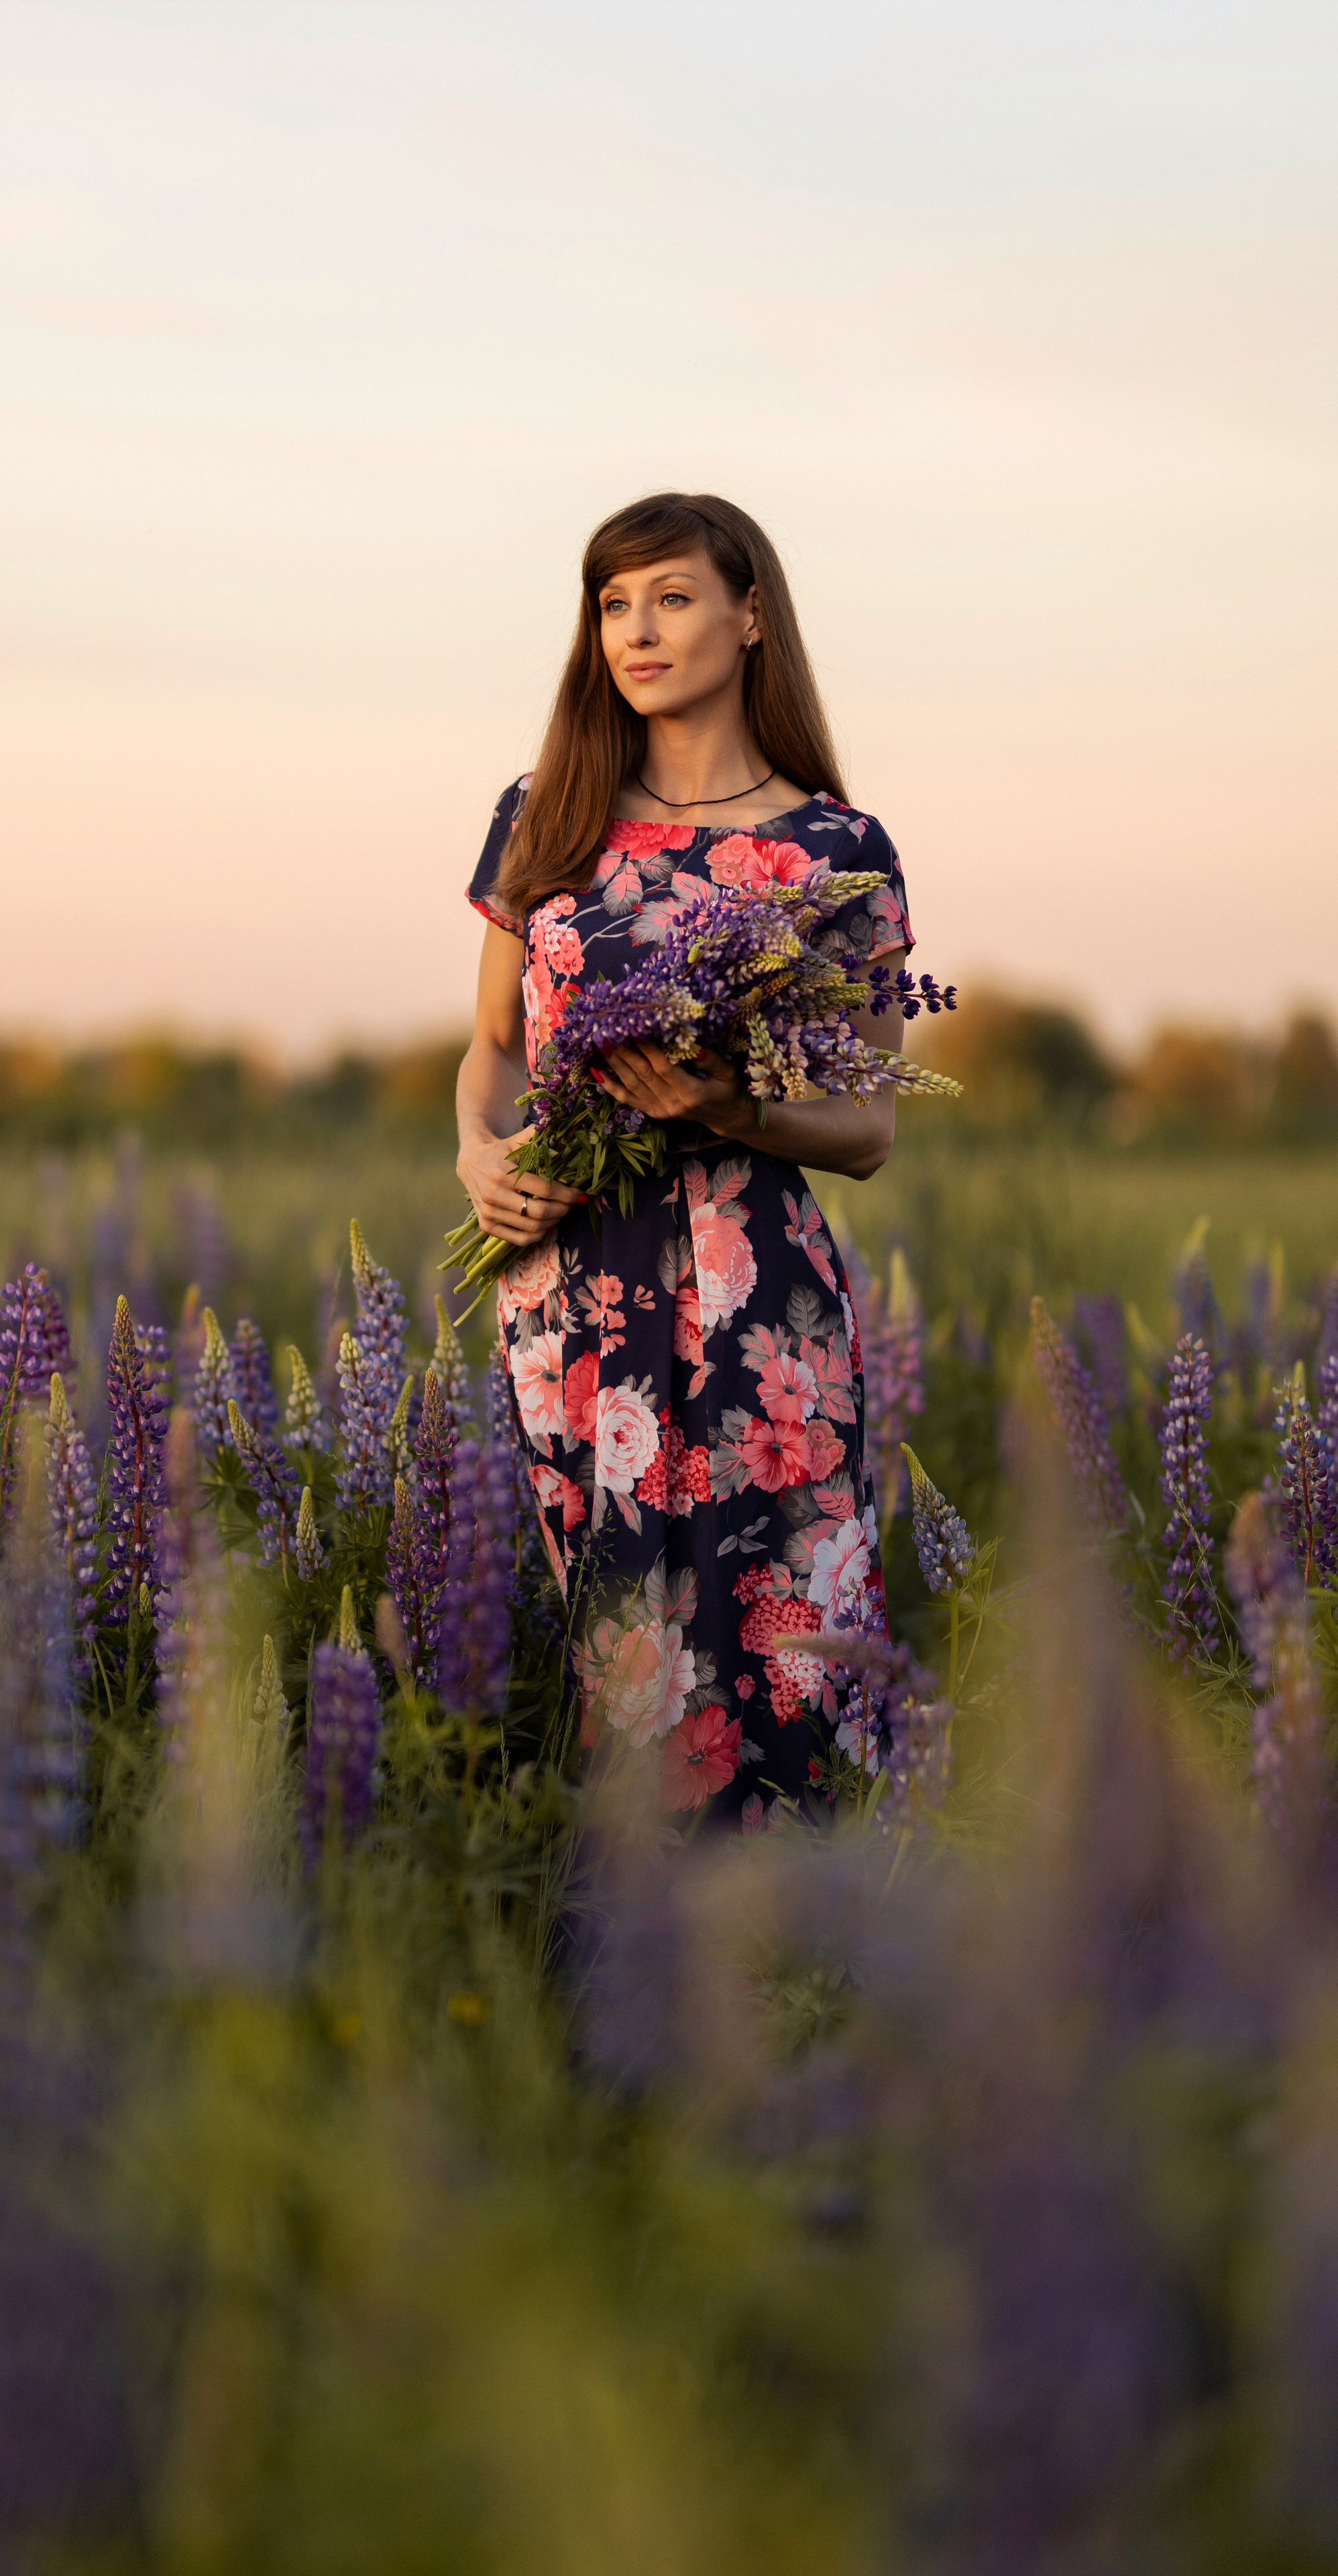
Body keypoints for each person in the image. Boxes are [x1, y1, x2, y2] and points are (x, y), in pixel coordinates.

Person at [455, 491, 913, 1824]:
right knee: (600, 1651)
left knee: (774, 1641)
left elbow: (868, 1124)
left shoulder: (834, 852)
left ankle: (801, 1967)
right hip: (565, 1280)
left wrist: (730, 1106)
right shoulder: (543, 810)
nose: (635, 631)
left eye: (669, 597)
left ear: (748, 613)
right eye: (611, 604)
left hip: (752, 1295)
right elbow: (487, 1045)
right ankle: (600, 1971)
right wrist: (474, 1157)